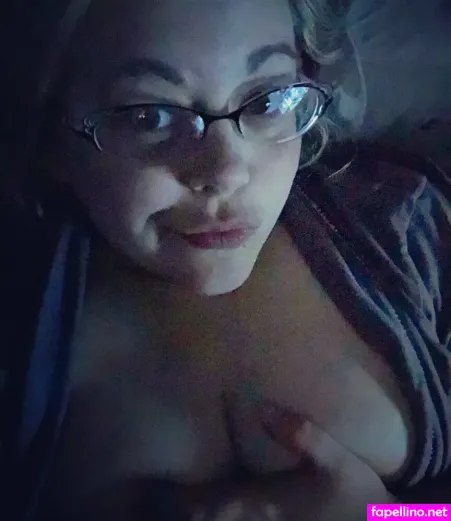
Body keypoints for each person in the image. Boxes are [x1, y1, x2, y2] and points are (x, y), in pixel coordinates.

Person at [0, 0, 450, 519]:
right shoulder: (19, 324)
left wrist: (386, 512)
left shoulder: (409, 228)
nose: (226, 171)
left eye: (266, 100)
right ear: (51, 138)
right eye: (149, 115)